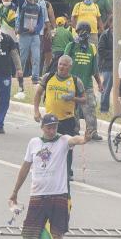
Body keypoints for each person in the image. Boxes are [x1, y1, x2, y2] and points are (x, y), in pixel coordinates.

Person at [8, 113, 90, 239]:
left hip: (58, 194)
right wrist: (15, 191)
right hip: (37, 195)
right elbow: (24, 168)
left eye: (55, 127)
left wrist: (84, 139)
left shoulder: (63, 141)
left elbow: (75, 140)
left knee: (57, 234)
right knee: (30, 235)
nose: (52, 130)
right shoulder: (33, 143)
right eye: (49, 127)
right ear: (42, 128)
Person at [33, 55, 86, 183]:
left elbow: (84, 99)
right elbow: (38, 93)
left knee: (68, 145)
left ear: (70, 67)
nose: (61, 67)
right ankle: (49, 169)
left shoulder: (75, 81)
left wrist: (72, 98)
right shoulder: (48, 77)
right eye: (60, 64)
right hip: (50, 120)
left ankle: (67, 172)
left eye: (65, 65)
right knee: (49, 145)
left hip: (68, 119)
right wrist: (36, 111)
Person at [64, 22, 102, 140]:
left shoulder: (92, 48)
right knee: (72, 108)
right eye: (81, 31)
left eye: (86, 31)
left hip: (87, 84)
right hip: (72, 83)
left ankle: (92, 132)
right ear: (77, 32)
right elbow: (64, 62)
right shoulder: (71, 45)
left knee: (90, 109)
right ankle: (75, 130)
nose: (84, 34)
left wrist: (99, 83)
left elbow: (95, 68)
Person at [14, 0, 47, 99]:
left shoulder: (38, 6)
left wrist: (37, 29)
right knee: (22, 56)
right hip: (24, 35)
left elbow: (41, 21)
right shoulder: (22, 4)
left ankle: (35, 77)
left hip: (34, 35)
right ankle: (19, 76)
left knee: (37, 56)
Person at [98, 24, 114, 113]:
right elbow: (101, 51)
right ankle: (104, 109)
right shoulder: (104, 35)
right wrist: (116, 52)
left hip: (120, 65)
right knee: (106, 87)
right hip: (108, 65)